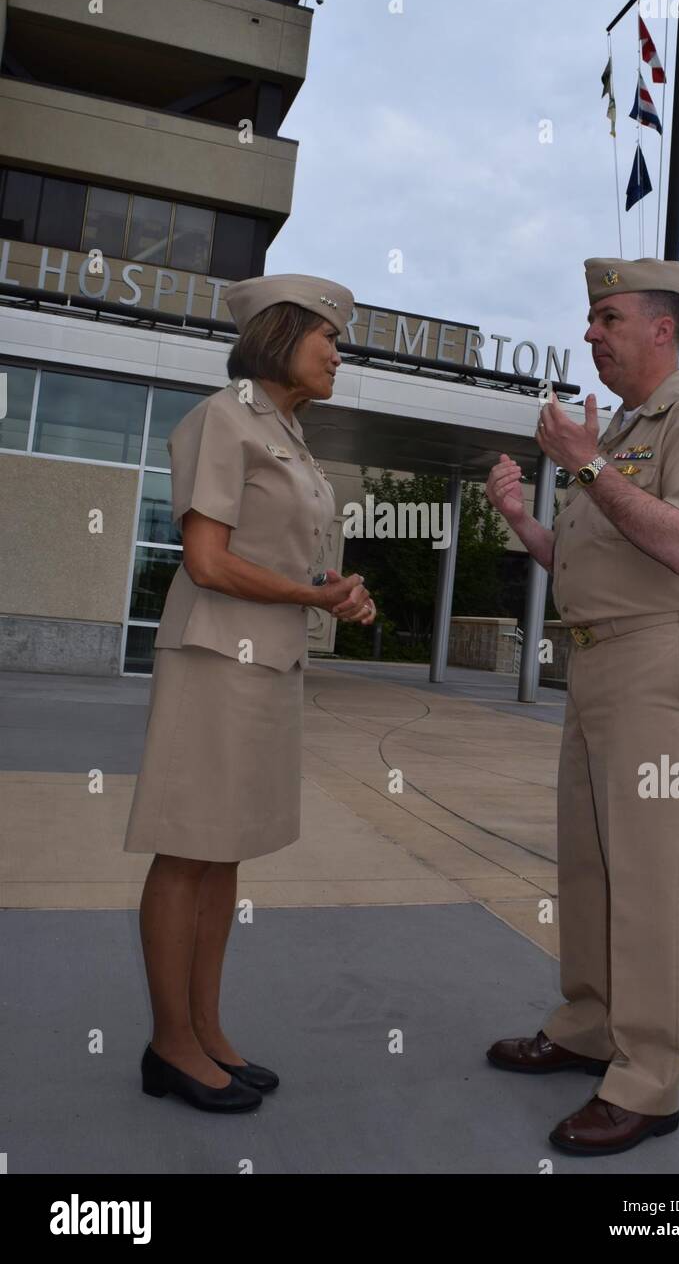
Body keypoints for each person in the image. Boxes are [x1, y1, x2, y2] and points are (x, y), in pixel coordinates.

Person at [484, 257, 679, 1156]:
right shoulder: (625, 430)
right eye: (590, 319)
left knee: (649, 880)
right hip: (597, 667)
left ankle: (649, 1082)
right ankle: (590, 1027)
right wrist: (527, 522)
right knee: (592, 870)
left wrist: (589, 464)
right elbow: (591, 561)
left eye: (606, 318)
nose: (590, 333)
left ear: (661, 331)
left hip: (660, 668)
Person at [123, 274, 377, 1113]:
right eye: (328, 338)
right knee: (187, 844)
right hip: (212, 660)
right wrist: (310, 598)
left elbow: (282, 557)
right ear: (281, 334)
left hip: (264, 664)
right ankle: (169, 1045)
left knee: (221, 851)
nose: (338, 352)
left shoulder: (291, 436)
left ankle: (206, 1033)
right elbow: (207, 560)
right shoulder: (222, 419)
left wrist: (334, 587)